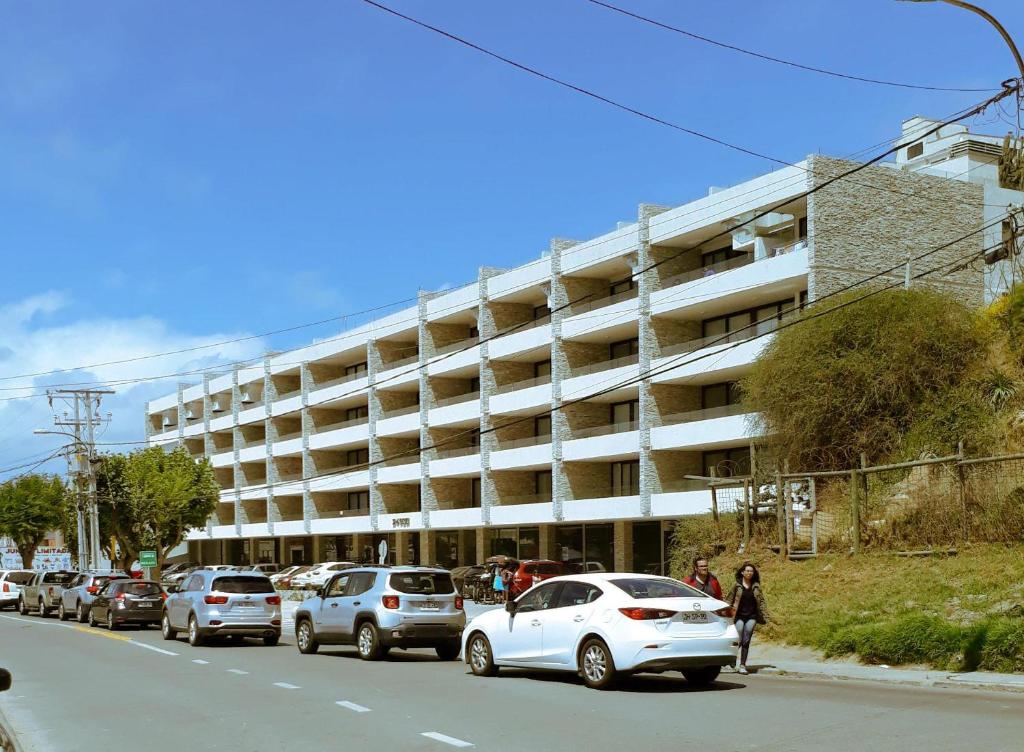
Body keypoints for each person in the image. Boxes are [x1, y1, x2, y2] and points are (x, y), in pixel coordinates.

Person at [724, 562, 770, 675]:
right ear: (742, 572)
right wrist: (725, 613)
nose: (749, 573)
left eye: (751, 571)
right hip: (739, 615)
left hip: (752, 615)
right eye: (747, 571)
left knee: (746, 639)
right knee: (738, 636)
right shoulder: (737, 585)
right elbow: (729, 599)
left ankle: (743, 665)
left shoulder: (756, 586)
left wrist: (766, 615)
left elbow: (762, 601)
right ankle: (732, 661)